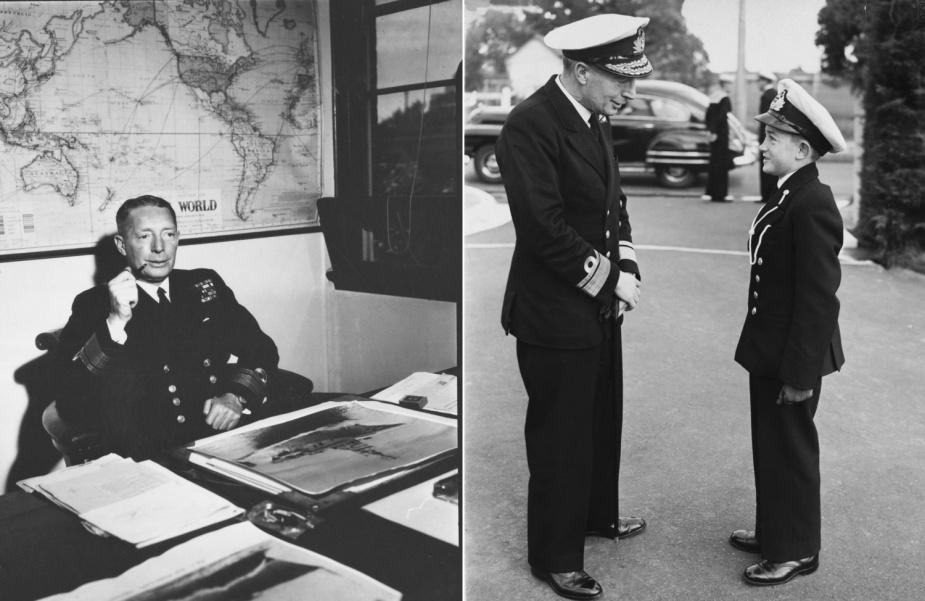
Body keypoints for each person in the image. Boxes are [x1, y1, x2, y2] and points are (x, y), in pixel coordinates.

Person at [494, 14, 648, 600]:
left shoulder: (593, 117)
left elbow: (615, 202)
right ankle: (555, 557)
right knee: (561, 436)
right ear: (581, 71)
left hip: (596, 308)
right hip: (553, 313)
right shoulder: (529, 126)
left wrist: (627, 264)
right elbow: (544, 228)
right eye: (620, 80)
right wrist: (610, 281)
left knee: (599, 419)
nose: (628, 93)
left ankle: (594, 518)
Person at [55, 195, 279, 459]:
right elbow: (70, 395)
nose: (159, 248)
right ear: (121, 244)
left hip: (218, 439)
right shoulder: (94, 303)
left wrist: (235, 397)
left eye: (168, 234)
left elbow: (260, 347)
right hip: (149, 452)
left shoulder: (203, 285)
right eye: (144, 237)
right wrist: (115, 321)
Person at [730, 79, 846, 586]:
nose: (762, 145)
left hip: (793, 356)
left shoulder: (812, 202)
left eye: (772, 138)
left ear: (801, 149)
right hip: (770, 349)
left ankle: (796, 548)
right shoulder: (789, 194)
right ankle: (774, 528)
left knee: (792, 448)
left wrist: (800, 371)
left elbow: (818, 298)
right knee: (770, 444)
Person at [704, 74, 734, 201]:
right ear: (725, 84)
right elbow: (722, 117)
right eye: (729, 84)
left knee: (714, 163)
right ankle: (720, 194)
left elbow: (708, 116)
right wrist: (717, 132)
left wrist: (711, 130)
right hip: (721, 135)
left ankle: (711, 192)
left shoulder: (714, 96)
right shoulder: (724, 98)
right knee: (721, 164)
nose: (730, 86)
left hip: (713, 134)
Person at [756, 71, 779, 201]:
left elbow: (766, 119)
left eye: (759, 80)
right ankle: (769, 195)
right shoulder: (774, 94)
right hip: (771, 135)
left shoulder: (767, 96)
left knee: (766, 165)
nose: (758, 83)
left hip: (767, 136)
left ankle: (767, 196)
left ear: (765, 80)